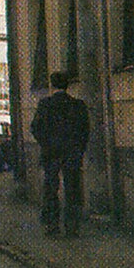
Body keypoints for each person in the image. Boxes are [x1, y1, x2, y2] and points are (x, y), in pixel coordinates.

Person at [30, 71, 90, 237]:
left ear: (53, 85)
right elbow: (85, 130)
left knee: (50, 189)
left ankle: (52, 225)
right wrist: (79, 149)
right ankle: (72, 225)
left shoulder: (45, 104)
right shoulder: (78, 105)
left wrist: (46, 143)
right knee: (72, 188)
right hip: (72, 152)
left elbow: (35, 127)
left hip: (51, 153)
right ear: (67, 85)